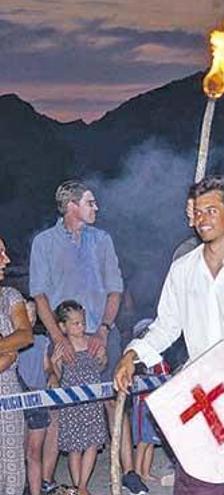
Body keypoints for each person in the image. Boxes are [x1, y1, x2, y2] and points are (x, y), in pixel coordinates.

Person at [114, 176, 224, 494]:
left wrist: (192, 382)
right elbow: (167, 326)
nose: (202, 219)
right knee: (198, 486)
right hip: (200, 403)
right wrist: (133, 354)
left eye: (211, 210)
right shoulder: (183, 269)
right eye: (198, 212)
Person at [27, 180, 145, 494]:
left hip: (101, 335)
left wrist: (104, 330)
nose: (96, 208)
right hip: (63, 335)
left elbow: (114, 290)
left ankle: (129, 473)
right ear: (71, 206)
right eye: (90, 202)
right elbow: (38, 295)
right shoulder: (45, 243)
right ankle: (49, 479)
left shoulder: (102, 240)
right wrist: (58, 338)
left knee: (112, 399)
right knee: (58, 406)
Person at [49, 300, 107, 495]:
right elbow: (57, 376)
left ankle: (82, 485)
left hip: (92, 402)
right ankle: (77, 485)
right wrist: (54, 364)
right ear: (62, 326)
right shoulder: (62, 347)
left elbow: (100, 367)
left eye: (82, 322)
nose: (81, 326)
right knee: (75, 447)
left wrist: (102, 356)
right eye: (75, 323)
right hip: (72, 404)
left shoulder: (92, 342)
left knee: (92, 443)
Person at [0, 235, 35, 495]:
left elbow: (24, 335)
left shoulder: (10, 296)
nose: (7, 259)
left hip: (7, 392)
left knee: (11, 469)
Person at [19, 298, 54, 495]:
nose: (29, 318)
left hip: (38, 402)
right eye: (25, 313)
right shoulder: (8, 343)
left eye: (32, 314)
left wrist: (54, 376)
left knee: (34, 452)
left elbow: (48, 369)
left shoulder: (41, 341)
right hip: (15, 403)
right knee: (18, 452)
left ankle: (35, 491)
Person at [129, 319, 169, 484]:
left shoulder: (159, 359)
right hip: (143, 403)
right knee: (143, 441)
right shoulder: (136, 361)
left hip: (156, 403)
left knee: (151, 440)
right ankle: (137, 472)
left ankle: (145, 472)